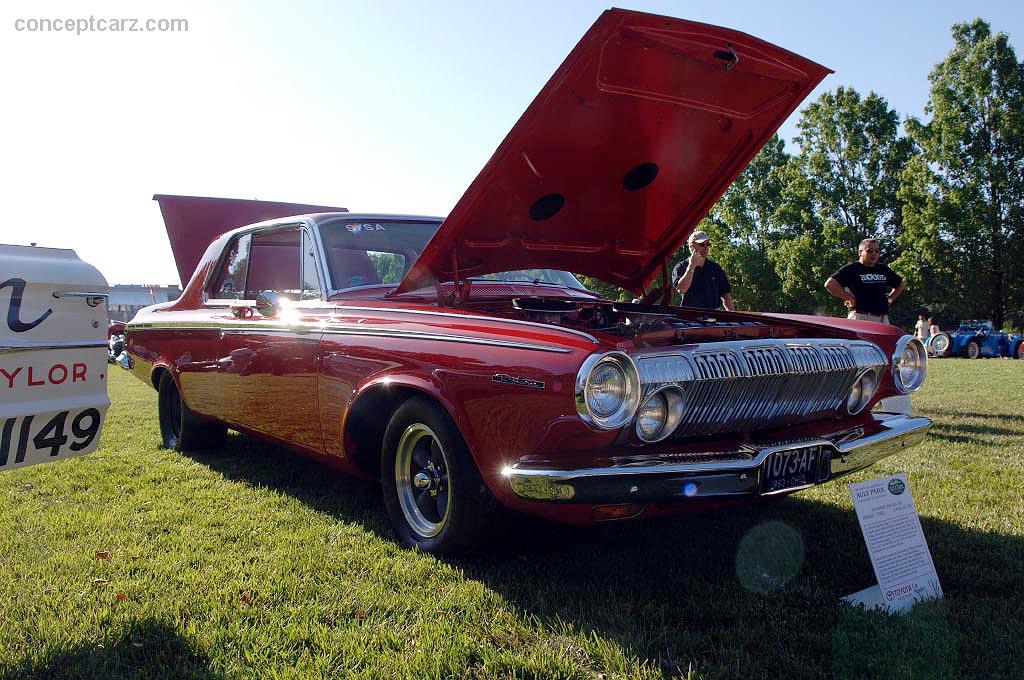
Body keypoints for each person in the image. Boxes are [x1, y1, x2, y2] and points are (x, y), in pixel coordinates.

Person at [824, 238, 905, 323]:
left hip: (882, 318)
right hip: (860, 317)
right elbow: (830, 284)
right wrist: (848, 297)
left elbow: (901, 284)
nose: (874, 254)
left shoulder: (883, 269)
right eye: (870, 251)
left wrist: (890, 299)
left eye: (877, 251)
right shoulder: (852, 269)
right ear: (860, 252)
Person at [672, 231, 734, 310]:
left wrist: (732, 316)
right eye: (702, 244)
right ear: (692, 246)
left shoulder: (715, 268)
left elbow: (725, 294)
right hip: (690, 317)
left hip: (714, 316)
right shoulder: (680, 267)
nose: (706, 247)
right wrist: (691, 267)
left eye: (708, 244)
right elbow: (681, 289)